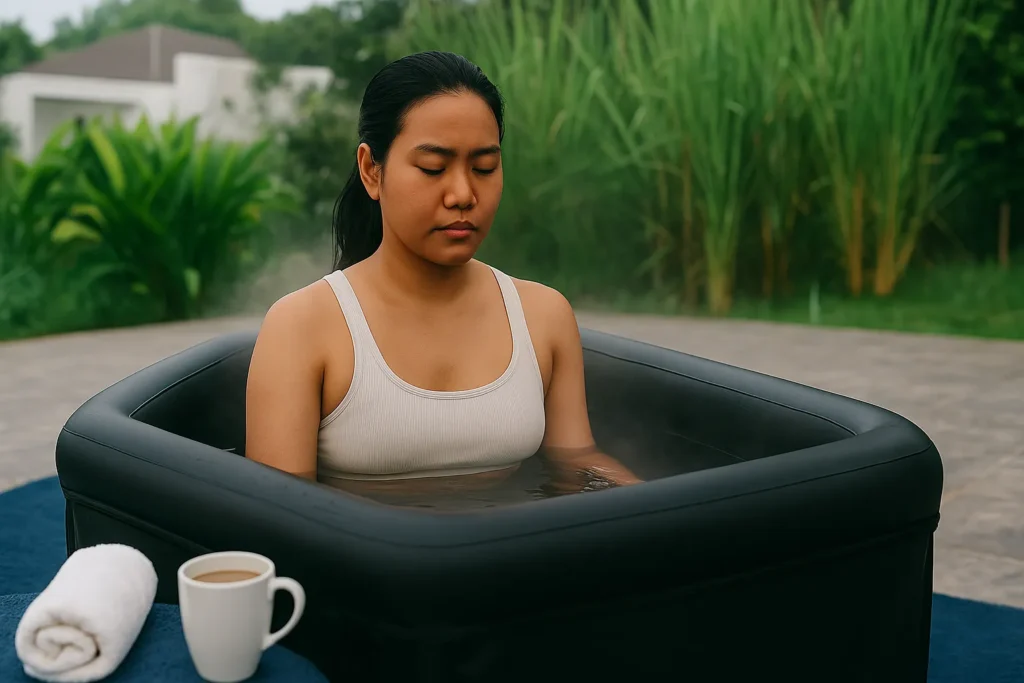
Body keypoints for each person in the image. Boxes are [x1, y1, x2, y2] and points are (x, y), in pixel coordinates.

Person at [245, 51, 641, 502]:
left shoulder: (543, 315)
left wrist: (661, 510)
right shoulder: (303, 325)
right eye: (433, 168)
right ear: (372, 171)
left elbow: (576, 462)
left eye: (484, 168)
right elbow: (279, 514)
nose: (463, 193)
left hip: (512, 558)